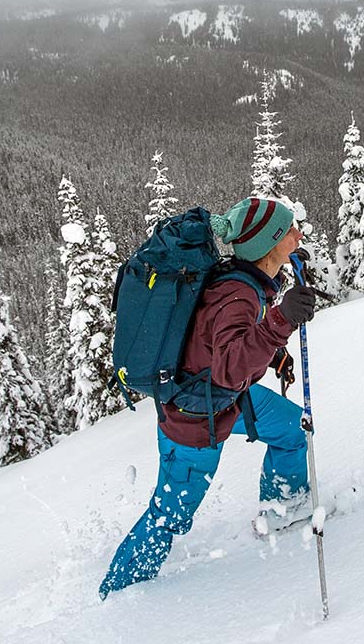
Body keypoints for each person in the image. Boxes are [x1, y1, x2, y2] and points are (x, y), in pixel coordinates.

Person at [99, 196, 318, 599]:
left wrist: (275, 351)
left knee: (292, 428)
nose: (297, 233)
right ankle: (117, 593)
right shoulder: (238, 294)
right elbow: (230, 366)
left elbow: (221, 345)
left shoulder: (245, 279)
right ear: (267, 246)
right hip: (193, 421)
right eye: (288, 231)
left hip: (223, 401)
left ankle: (282, 510)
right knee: (169, 516)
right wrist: (281, 322)